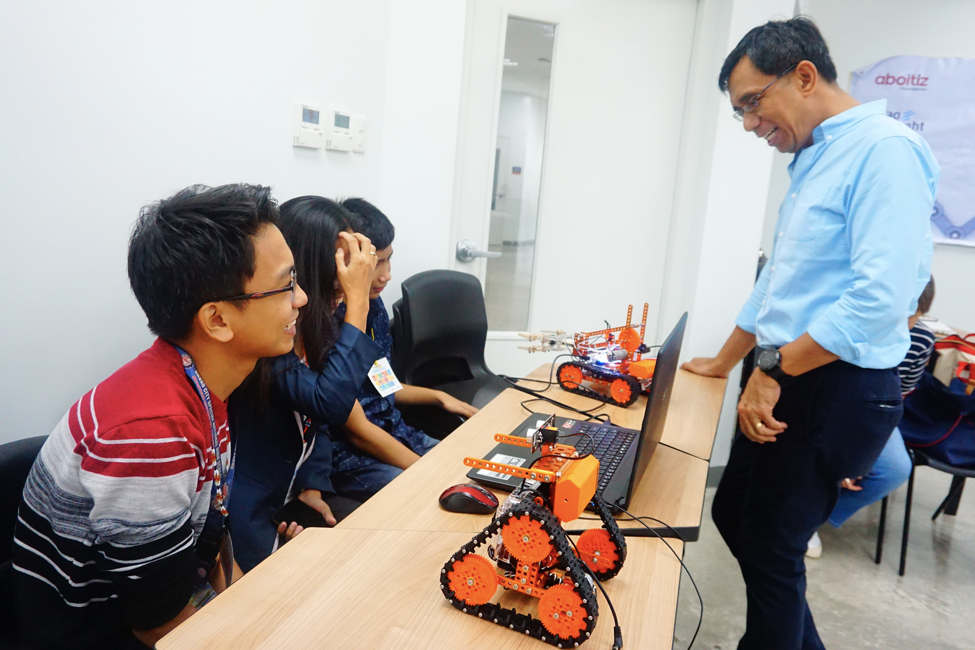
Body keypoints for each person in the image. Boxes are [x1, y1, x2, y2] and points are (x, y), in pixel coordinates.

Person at [681, 17, 939, 650]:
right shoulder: (815, 156)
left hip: (831, 382)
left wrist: (772, 371)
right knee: (735, 514)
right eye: (740, 111)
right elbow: (780, 284)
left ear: (802, 76)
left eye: (752, 102)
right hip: (787, 370)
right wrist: (726, 361)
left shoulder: (885, 151)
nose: (749, 124)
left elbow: (881, 299)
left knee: (772, 545)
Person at [11, 184, 304, 649]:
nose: (301, 298)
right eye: (286, 284)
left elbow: (210, 538)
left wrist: (258, 608)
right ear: (217, 320)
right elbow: (160, 626)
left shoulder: (198, 381)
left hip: (172, 604)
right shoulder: (151, 433)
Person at [228, 196, 381, 573]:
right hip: (246, 510)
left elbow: (317, 418)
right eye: (340, 273)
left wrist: (312, 483)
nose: (345, 286)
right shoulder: (269, 340)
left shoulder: (315, 326)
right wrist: (358, 303)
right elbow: (330, 402)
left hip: (290, 491)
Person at [326, 198, 478, 499]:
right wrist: (429, 472)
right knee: (436, 493)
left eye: (388, 260)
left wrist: (438, 397)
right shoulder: (327, 319)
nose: (386, 275)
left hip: (396, 433)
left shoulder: (374, 306)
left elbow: (383, 384)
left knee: (471, 469)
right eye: (376, 264)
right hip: (352, 459)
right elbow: (357, 432)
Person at [807, 277, 938, 558]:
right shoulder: (854, 324)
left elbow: (901, 394)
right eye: (903, 316)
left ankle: (814, 519)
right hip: (831, 402)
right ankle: (799, 511)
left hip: (878, 413)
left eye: (914, 318)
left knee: (896, 468)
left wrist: (864, 449)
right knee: (819, 453)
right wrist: (849, 455)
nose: (906, 326)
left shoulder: (922, 339)